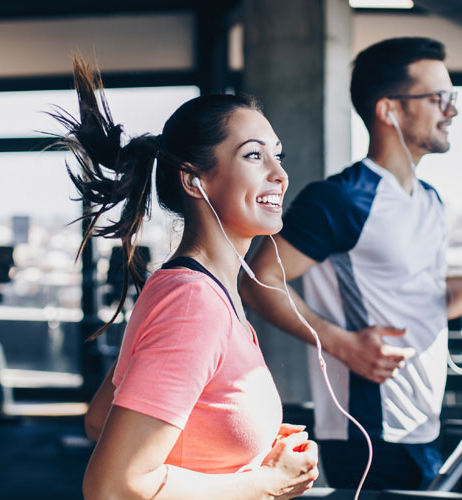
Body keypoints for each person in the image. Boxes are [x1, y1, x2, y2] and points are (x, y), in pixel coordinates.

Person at [238, 37, 462, 490]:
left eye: (453, 98)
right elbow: (257, 280)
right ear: (389, 110)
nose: (452, 111)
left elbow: (431, 300)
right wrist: (342, 343)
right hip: (368, 425)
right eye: (439, 99)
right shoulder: (342, 200)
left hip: (425, 422)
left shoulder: (429, 200)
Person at [58, 57, 318, 500]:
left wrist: (244, 445)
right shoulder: (192, 303)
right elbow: (113, 486)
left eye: (278, 154)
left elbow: (102, 418)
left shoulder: (204, 292)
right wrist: (267, 483)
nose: (279, 174)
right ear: (195, 181)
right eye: (254, 155)